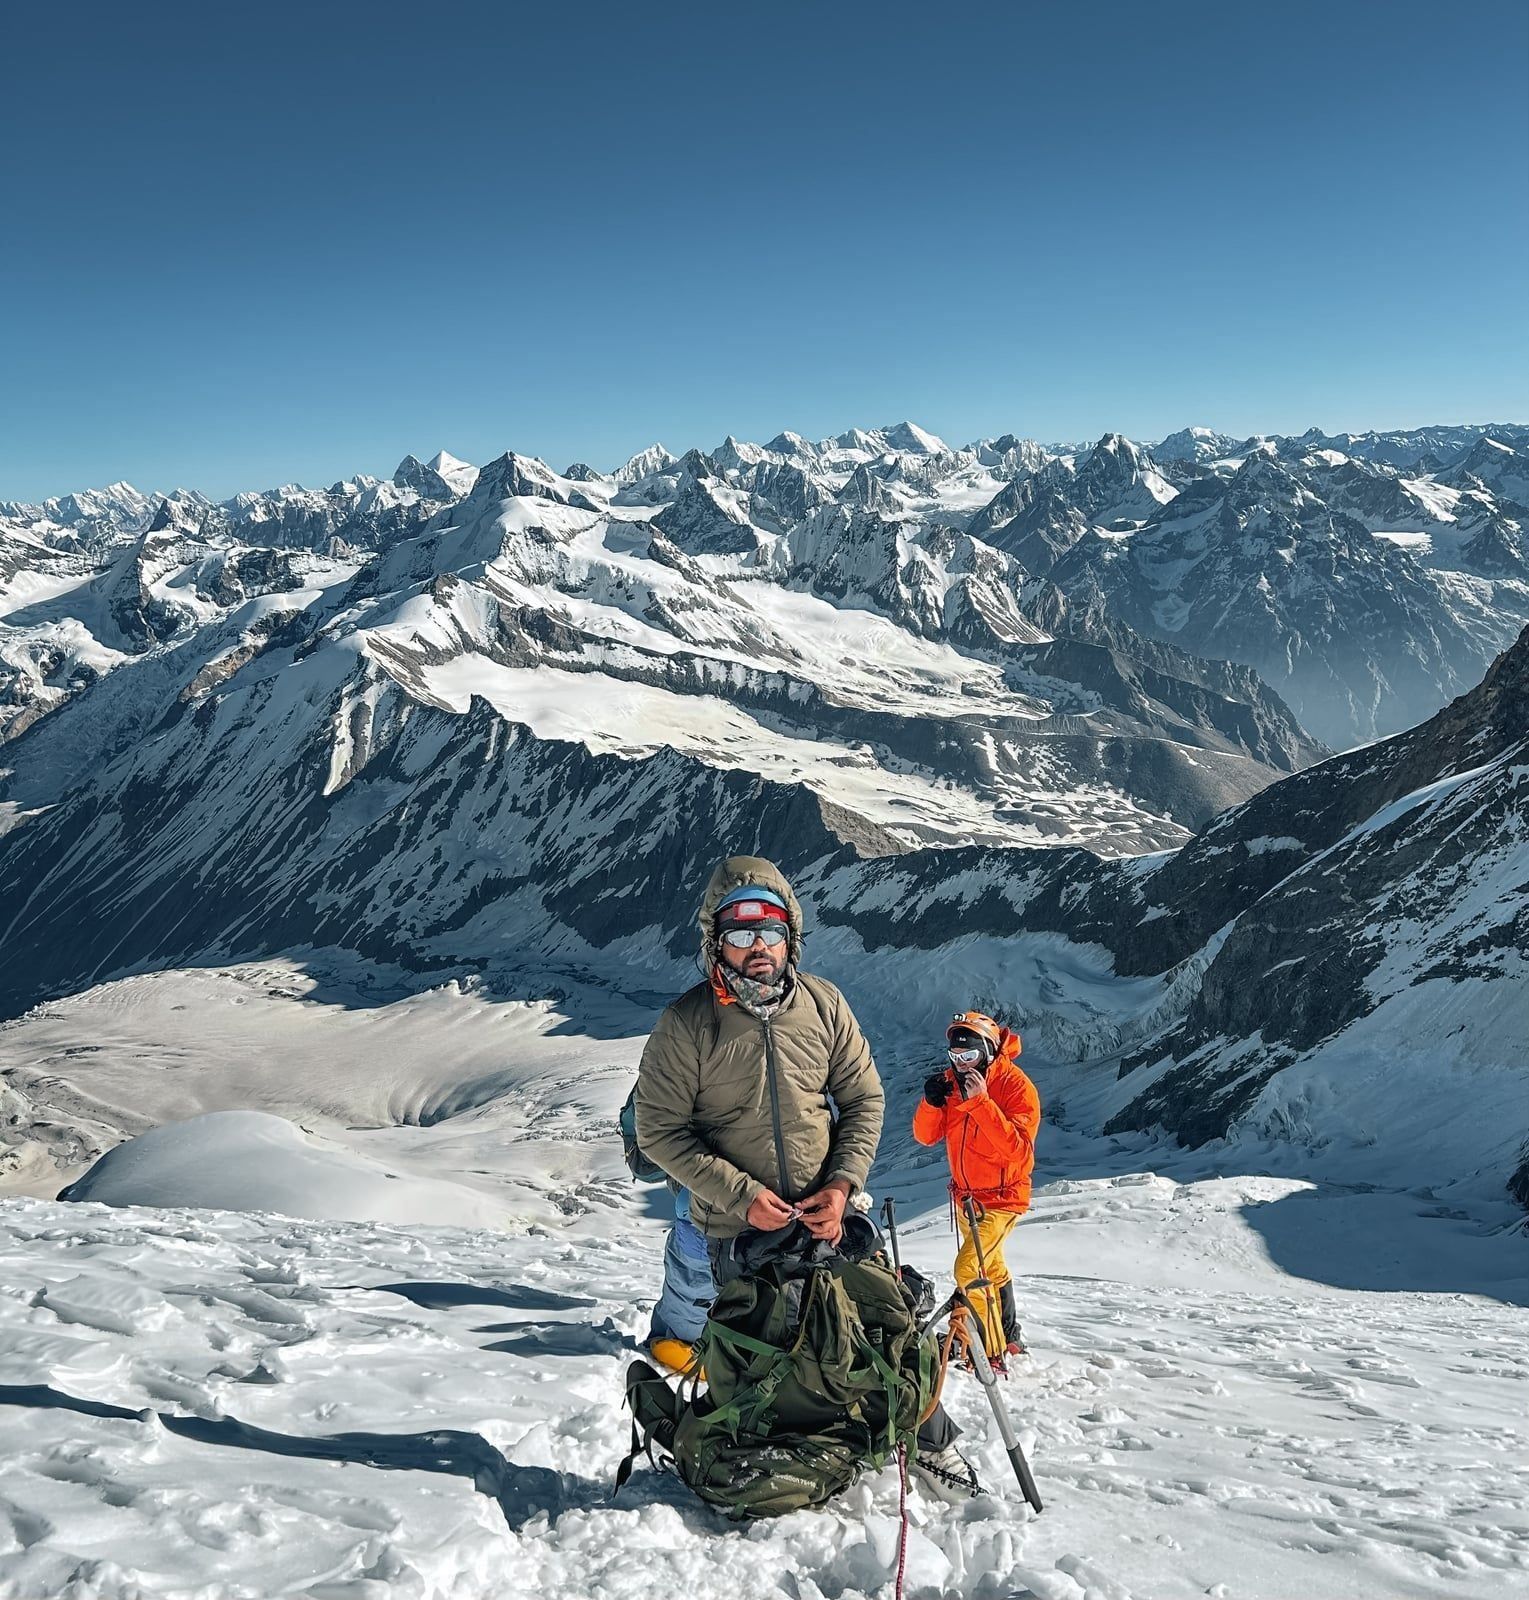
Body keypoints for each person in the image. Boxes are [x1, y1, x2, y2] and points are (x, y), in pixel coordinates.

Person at [635, 855, 982, 1499]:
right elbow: (660, 1131)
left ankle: (933, 1442)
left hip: (828, 1216)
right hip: (734, 1230)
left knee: (883, 1328)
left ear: (790, 935)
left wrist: (843, 1184)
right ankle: (764, 1457)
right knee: (754, 1351)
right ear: (716, 941)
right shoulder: (686, 1027)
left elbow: (863, 1099)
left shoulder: (823, 1006)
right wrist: (741, 1196)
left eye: (769, 930)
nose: (757, 948)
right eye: (740, 933)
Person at [913, 1011, 1040, 1370]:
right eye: (956, 1056)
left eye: (969, 1055)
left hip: (1003, 1199)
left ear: (987, 1050)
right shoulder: (951, 1084)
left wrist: (981, 1103)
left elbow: (1018, 1153)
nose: (962, 1063)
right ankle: (1011, 1338)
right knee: (992, 1268)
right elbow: (925, 1136)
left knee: (970, 1269)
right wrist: (930, 1103)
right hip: (967, 1198)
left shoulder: (1016, 1087)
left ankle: (991, 1352)